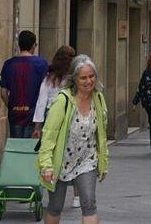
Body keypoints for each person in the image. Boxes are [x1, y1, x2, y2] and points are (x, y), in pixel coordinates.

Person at [37, 55, 109, 223]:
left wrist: (103, 161)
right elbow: (49, 135)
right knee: (55, 207)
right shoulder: (62, 100)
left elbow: (101, 134)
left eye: (91, 76)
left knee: (89, 204)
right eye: (83, 77)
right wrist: (46, 165)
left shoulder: (98, 98)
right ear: (74, 79)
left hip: (87, 160)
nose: (88, 81)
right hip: (60, 161)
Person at [0, 31, 49, 139]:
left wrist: (12, 107)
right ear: (33, 45)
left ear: (19, 44)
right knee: (28, 149)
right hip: (33, 114)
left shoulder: (8, 64)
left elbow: (3, 93)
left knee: (17, 147)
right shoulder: (41, 64)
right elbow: (45, 92)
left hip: (15, 115)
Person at [34, 46, 77, 136]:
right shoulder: (74, 78)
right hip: (70, 116)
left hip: (52, 116)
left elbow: (41, 103)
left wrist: (37, 127)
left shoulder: (49, 79)